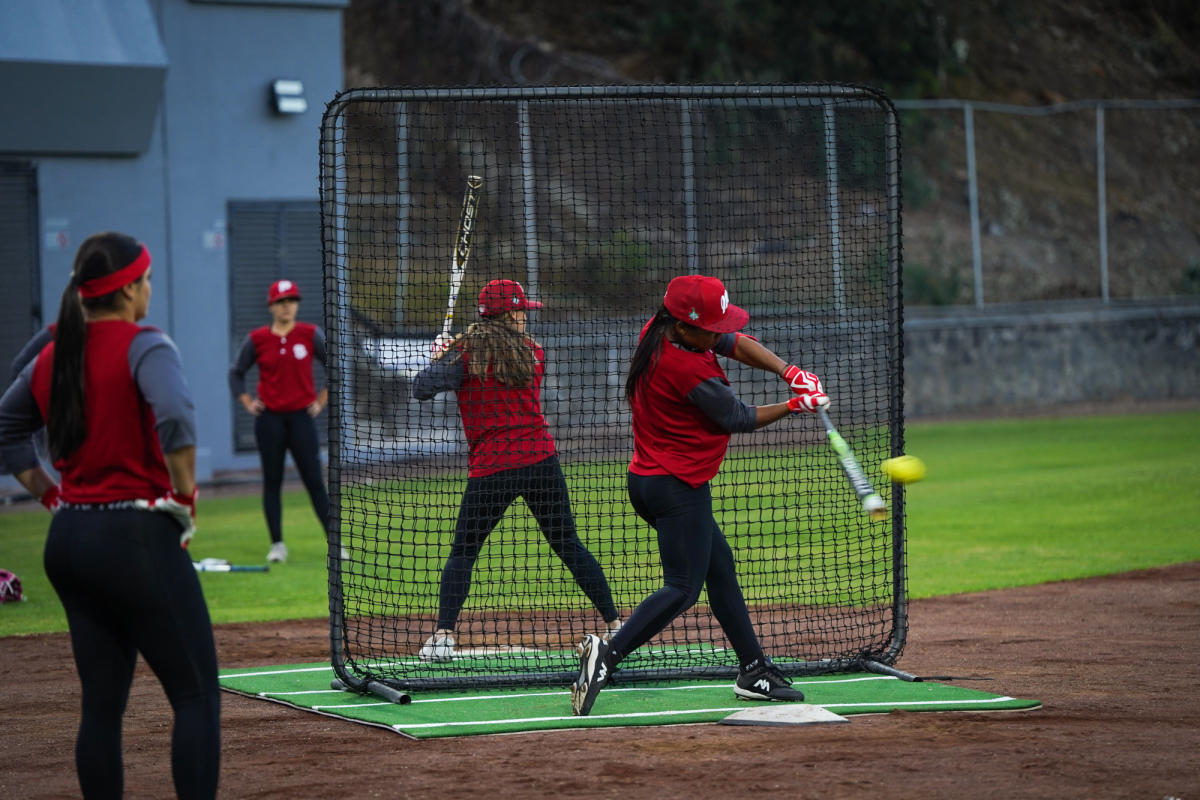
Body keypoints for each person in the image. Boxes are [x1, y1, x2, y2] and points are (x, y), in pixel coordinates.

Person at [0, 232, 220, 797]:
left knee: (101, 707)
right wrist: (186, 497)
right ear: (125, 290)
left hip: (69, 539)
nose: (149, 289)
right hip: (135, 537)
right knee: (195, 696)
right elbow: (175, 418)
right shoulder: (145, 344)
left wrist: (52, 495)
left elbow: (6, 426)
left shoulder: (54, 353)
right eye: (145, 280)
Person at [570, 274, 831, 716]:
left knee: (721, 569)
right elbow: (738, 417)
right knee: (682, 588)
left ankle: (754, 671)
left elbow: (734, 341)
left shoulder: (659, 333)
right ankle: (607, 657)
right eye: (709, 327)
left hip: (654, 480)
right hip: (676, 488)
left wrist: (789, 372)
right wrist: (794, 405)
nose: (718, 333)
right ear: (685, 326)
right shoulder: (684, 367)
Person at [410, 279, 622, 661]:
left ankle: (443, 635)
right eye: (522, 310)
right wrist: (449, 357)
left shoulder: (464, 355)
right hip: (541, 462)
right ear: (508, 313)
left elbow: (421, 388)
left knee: (463, 551)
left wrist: (439, 358)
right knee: (568, 544)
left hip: (493, 469)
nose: (526, 317)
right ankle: (616, 626)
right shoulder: (533, 353)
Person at [228, 279, 333, 564]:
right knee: (272, 481)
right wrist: (248, 402)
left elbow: (333, 366)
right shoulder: (258, 338)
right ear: (271, 306)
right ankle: (277, 544)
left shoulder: (310, 334)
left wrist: (321, 401)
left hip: (301, 418)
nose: (287, 306)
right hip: (270, 420)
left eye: (292, 301)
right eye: (281, 301)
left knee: (314, 480)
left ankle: (335, 544)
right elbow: (236, 373)